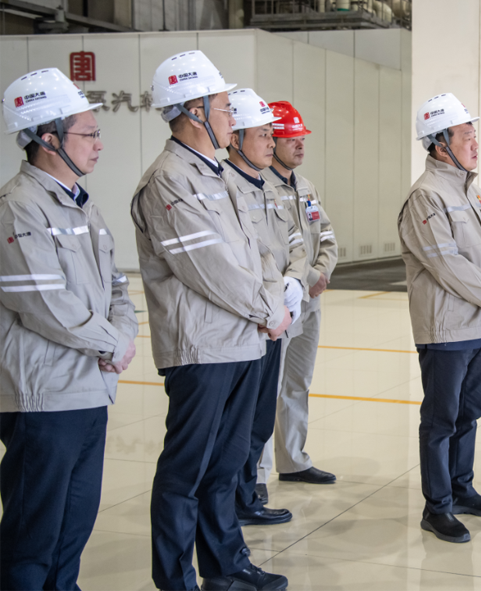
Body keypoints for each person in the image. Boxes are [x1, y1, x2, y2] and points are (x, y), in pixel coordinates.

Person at [132, 50, 290, 591]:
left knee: (224, 466)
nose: (232, 116)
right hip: (201, 350)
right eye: (224, 106)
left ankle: (226, 568)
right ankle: (176, 580)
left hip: (242, 341)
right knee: (187, 471)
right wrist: (269, 310)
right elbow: (210, 268)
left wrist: (273, 302)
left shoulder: (217, 174)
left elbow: (259, 252)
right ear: (195, 111)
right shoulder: (168, 181)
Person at [0, 68, 138, 591]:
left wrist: (122, 335)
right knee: (33, 533)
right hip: (43, 394)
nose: (99, 144)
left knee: (73, 523)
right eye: (89, 133)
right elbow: (40, 302)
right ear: (49, 138)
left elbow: (117, 285)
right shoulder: (19, 207)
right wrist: (110, 342)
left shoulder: (81, 203)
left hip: (88, 385)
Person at [398, 93, 481, 544]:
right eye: (466, 135)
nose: (475, 142)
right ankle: (437, 507)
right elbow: (446, 263)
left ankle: (461, 489)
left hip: (479, 325)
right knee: (441, 419)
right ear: (439, 143)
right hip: (447, 329)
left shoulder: (473, 191)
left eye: (474, 134)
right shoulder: (426, 196)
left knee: (469, 412)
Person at [223, 89, 307, 527]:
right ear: (235, 138)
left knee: (258, 418)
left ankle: (246, 497)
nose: (272, 143)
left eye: (273, 136)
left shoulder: (269, 188)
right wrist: (275, 296)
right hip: (251, 322)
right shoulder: (225, 187)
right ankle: (233, 501)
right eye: (262, 135)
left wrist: (294, 281)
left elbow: (297, 242)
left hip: (278, 317)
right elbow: (242, 260)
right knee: (237, 423)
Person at [259, 100, 339, 489]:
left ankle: (292, 460)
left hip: (311, 300)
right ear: (271, 141)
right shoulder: (261, 187)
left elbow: (327, 236)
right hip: (281, 302)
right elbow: (271, 249)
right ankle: (255, 476)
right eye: (291, 139)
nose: (300, 144)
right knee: (267, 388)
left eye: (301, 137)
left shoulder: (305, 187)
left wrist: (321, 272)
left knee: (297, 381)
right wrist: (309, 276)